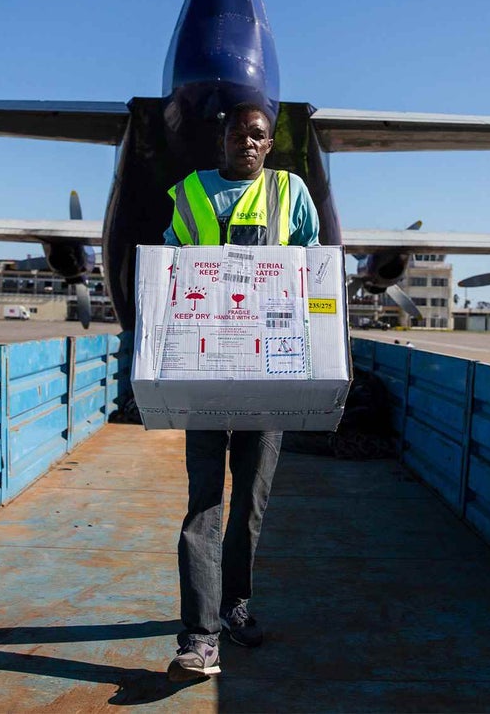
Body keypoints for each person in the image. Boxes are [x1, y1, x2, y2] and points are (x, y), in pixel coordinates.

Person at [162, 102, 320, 683]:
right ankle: (199, 638)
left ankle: (235, 605)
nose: (247, 144)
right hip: (204, 373)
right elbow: (167, 273)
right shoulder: (190, 194)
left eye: (258, 136)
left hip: (269, 373)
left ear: (269, 144)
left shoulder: (290, 193)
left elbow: (313, 272)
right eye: (237, 135)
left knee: (248, 507)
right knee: (202, 505)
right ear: (222, 139)